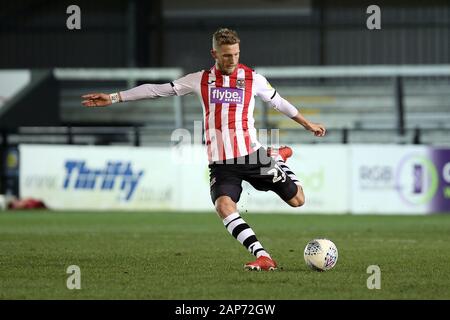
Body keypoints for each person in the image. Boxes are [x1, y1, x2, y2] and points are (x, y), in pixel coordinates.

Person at [81, 28, 326, 271]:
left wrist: (308, 124)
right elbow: (157, 90)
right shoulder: (200, 79)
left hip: (253, 156)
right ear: (214, 53)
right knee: (223, 206)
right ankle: (263, 257)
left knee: (298, 200)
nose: (232, 60)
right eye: (227, 55)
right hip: (221, 163)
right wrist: (114, 97)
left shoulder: (254, 79)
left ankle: (278, 159)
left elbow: (280, 102)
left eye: (236, 54)